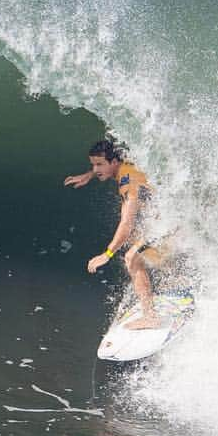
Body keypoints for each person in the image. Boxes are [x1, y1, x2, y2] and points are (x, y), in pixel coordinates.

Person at [64, 139, 174, 329]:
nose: (96, 168)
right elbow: (112, 161)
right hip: (171, 214)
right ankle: (173, 276)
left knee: (132, 258)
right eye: (93, 164)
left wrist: (107, 254)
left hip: (169, 222)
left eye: (99, 164)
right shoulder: (125, 163)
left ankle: (150, 317)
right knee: (137, 239)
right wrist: (90, 175)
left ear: (114, 163)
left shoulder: (127, 183)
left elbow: (127, 222)